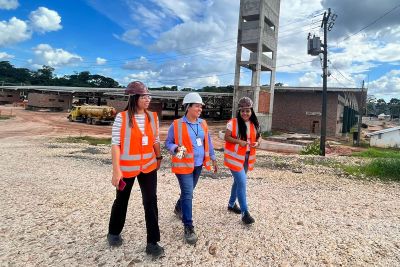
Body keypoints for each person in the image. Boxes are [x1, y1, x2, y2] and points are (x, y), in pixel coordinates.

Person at [107, 81, 164, 257]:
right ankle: (113, 232)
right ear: (134, 98)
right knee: (121, 200)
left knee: (150, 201)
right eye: (144, 96)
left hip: (148, 167)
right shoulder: (121, 118)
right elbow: (116, 144)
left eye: (149, 96)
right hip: (127, 169)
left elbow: (155, 139)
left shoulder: (153, 117)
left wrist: (159, 156)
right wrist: (116, 170)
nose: (148, 99)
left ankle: (152, 242)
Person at [165, 92, 218, 245]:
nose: (200, 109)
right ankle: (188, 226)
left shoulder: (203, 123)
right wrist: (175, 148)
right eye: (197, 106)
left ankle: (178, 207)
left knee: (189, 191)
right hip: (183, 165)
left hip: (198, 164)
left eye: (201, 106)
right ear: (188, 107)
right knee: (188, 193)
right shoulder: (176, 124)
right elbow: (168, 142)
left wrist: (213, 157)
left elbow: (208, 141)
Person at [224, 97, 261, 225]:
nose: (245, 113)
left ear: (251, 111)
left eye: (247, 111)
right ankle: (245, 213)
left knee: (238, 182)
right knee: (242, 183)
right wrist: (239, 141)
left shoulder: (255, 124)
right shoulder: (232, 123)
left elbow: (259, 137)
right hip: (234, 158)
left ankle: (231, 204)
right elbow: (226, 137)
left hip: (246, 158)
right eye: (242, 111)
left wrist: (257, 142)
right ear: (239, 111)